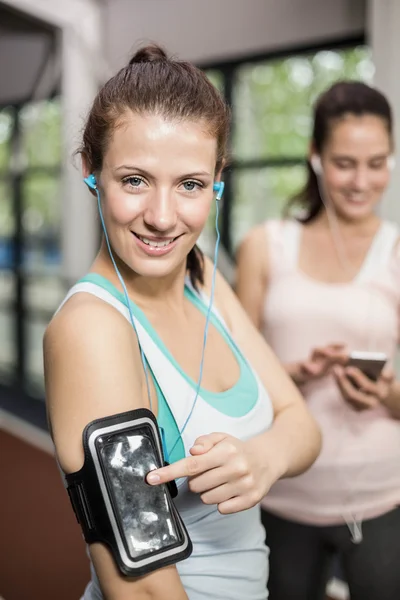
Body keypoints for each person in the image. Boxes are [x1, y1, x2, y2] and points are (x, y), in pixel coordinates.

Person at [43, 45, 321, 600]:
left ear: (218, 180)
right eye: (135, 180)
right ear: (90, 170)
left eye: (190, 184)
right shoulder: (93, 331)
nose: (163, 218)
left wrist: (262, 458)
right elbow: (141, 586)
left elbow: (303, 425)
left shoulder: (203, 281)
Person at [236, 80, 400, 600]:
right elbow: (228, 376)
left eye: (377, 163)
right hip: (281, 492)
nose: (361, 180)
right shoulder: (266, 246)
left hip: (381, 497)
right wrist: (293, 376)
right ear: (315, 157)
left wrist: (386, 393)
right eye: (345, 162)